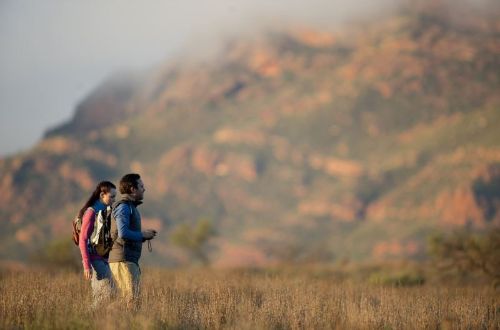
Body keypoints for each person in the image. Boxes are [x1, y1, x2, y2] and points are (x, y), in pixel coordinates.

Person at [108, 173, 156, 307]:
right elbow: (122, 233)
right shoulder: (124, 207)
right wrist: (142, 235)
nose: (144, 189)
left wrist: (144, 235)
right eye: (141, 186)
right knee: (130, 302)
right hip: (123, 260)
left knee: (129, 301)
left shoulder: (129, 207)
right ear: (132, 189)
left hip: (126, 260)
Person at [78, 180, 117, 307]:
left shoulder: (105, 210)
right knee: (109, 293)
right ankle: (88, 316)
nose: (114, 199)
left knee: (100, 296)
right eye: (112, 196)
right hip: (95, 259)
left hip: (103, 258)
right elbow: (82, 240)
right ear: (102, 195)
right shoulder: (91, 212)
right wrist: (86, 265)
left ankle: (91, 321)